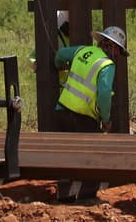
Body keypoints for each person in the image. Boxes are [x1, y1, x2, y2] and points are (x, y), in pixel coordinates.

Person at [52, 25, 128, 202]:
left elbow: (60, 56)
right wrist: (106, 119)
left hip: (62, 110)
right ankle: (87, 196)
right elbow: (103, 94)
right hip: (83, 117)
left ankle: (64, 197)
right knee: (94, 155)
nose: (117, 57)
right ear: (114, 48)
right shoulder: (107, 65)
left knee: (67, 156)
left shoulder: (83, 51)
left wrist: (59, 67)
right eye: (118, 52)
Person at [30, 10, 71, 87]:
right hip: (57, 85)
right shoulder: (55, 37)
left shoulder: (80, 38)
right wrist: (34, 63)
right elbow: (33, 56)